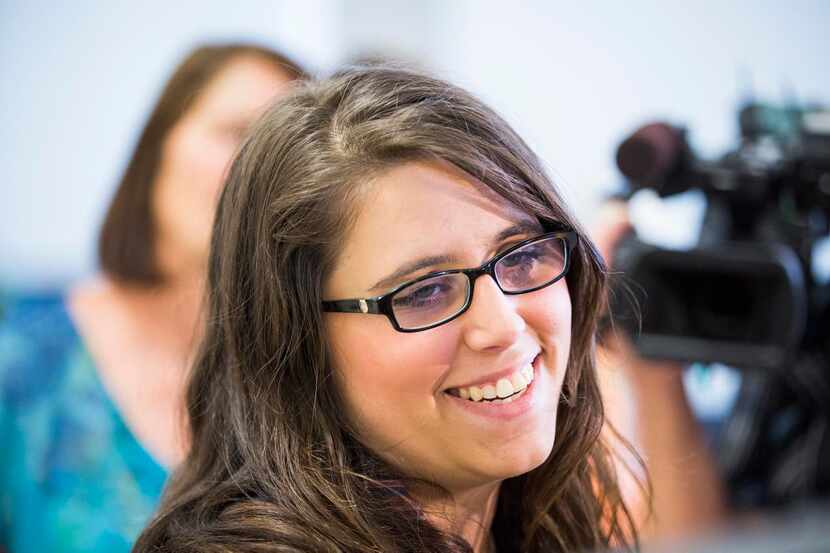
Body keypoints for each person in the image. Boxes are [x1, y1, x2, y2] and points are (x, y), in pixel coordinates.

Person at [134, 66, 644, 553]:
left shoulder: (529, 521)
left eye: (523, 256)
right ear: (295, 339)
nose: (503, 327)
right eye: (424, 292)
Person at [0, 42, 305, 552]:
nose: (254, 171)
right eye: (235, 133)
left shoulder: (305, 375)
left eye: (278, 151)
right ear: (156, 148)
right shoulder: (24, 364)